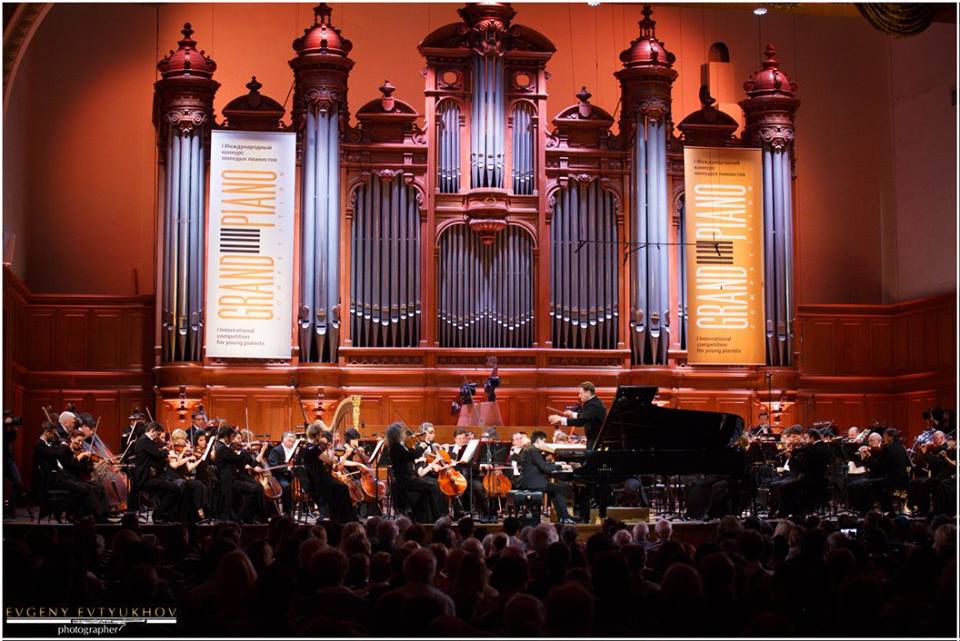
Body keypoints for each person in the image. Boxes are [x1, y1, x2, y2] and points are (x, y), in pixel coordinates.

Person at [386, 422, 445, 522]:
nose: (405, 434)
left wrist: (416, 450)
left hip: (409, 478)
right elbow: (412, 456)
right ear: (397, 434)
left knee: (433, 483)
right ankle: (439, 516)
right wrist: (422, 447)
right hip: (405, 481)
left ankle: (428, 517)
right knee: (432, 485)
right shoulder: (395, 447)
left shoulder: (400, 445)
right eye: (403, 432)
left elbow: (409, 455)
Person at [298, 422, 356, 523]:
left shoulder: (308, 447)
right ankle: (346, 518)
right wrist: (332, 452)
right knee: (343, 488)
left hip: (315, 479)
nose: (321, 437)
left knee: (340, 486)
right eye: (321, 435)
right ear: (317, 435)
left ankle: (337, 517)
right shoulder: (313, 449)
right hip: (319, 482)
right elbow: (330, 462)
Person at [515, 431, 575, 523]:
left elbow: (542, 464)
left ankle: (563, 517)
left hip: (530, 481)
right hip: (532, 483)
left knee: (555, 490)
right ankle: (564, 517)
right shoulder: (533, 451)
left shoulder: (530, 449)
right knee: (558, 489)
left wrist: (556, 464)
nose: (544, 443)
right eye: (544, 441)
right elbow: (545, 467)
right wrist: (561, 466)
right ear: (538, 440)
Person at [214, 426, 266, 523]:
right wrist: (245, 451)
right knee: (254, 490)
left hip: (234, 479)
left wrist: (247, 453)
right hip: (229, 482)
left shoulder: (224, 447)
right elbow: (237, 459)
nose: (233, 439)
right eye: (232, 436)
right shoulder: (222, 448)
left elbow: (240, 463)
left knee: (257, 488)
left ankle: (249, 517)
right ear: (226, 436)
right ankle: (242, 516)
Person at [132, 423, 180, 522]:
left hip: (149, 477)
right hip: (144, 479)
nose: (158, 437)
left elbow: (155, 457)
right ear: (152, 430)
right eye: (158, 434)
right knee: (173, 488)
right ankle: (158, 515)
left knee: (171, 487)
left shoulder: (146, 441)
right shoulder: (144, 441)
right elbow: (158, 454)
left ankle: (166, 515)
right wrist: (166, 450)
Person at [267, 431, 300, 513]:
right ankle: (287, 511)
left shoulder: (295, 450)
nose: (291, 443)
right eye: (289, 440)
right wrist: (288, 468)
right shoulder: (275, 450)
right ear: (283, 439)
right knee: (286, 486)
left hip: (292, 475)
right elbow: (273, 466)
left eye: (293, 441)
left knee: (303, 484)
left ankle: (303, 508)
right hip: (279, 476)